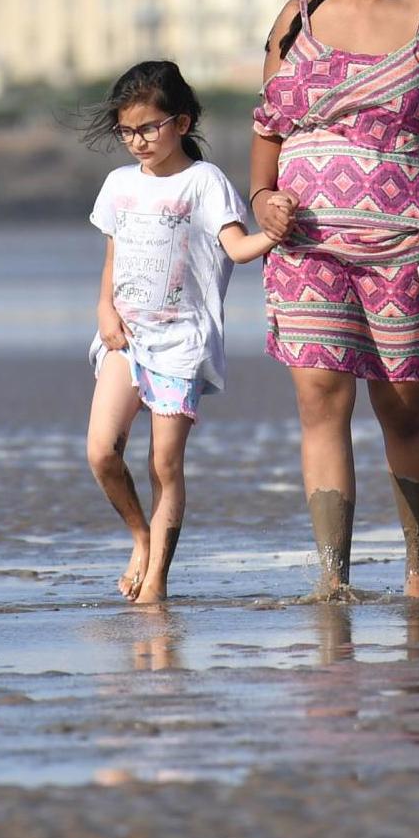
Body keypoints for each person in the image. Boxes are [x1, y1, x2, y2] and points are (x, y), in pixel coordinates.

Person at [250, 0, 419, 600]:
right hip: (306, 242)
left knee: (401, 402)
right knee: (320, 393)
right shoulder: (295, 18)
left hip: (405, 240)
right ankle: (333, 577)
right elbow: (268, 125)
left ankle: (418, 568)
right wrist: (260, 195)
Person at [83, 60, 275, 604]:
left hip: (180, 345)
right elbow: (112, 259)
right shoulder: (119, 185)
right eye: (127, 131)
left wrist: (277, 236)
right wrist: (104, 310)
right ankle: (140, 537)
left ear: (182, 123)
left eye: (148, 127)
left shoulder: (205, 182)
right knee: (101, 452)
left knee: (164, 463)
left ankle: (157, 584)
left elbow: (237, 247)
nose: (137, 140)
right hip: (124, 337)